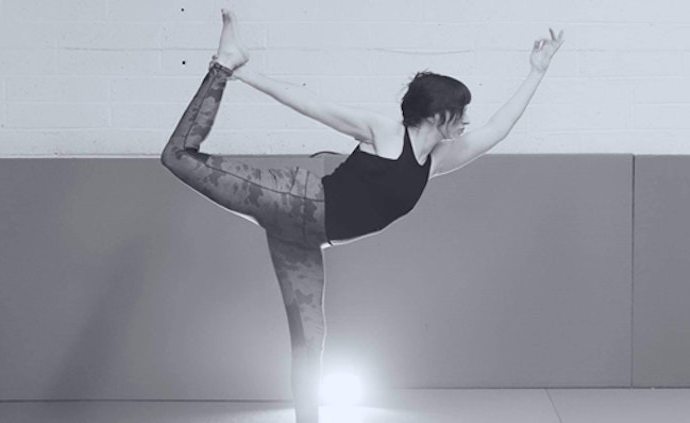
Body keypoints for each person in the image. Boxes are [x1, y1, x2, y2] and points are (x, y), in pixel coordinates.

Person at [160, 9, 564, 423]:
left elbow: (497, 130)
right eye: (461, 113)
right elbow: (313, 105)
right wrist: (243, 74)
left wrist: (536, 72)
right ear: (438, 115)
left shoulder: (436, 161)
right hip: (293, 200)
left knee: (310, 341)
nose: (467, 121)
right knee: (178, 157)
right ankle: (224, 64)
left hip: (304, 241)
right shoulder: (386, 133)